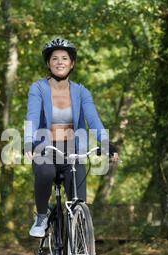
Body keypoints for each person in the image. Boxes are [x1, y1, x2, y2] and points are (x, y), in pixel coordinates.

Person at [24, 38, 118, 238]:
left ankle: (77, 246)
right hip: (45, 147)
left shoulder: (81, 92)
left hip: (73, 151)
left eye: (64, 58)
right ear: (48, 63)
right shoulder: (38, 88)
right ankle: (41, 215)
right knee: (46, 172)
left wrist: (106, 143)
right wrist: (29, 141)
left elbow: (93, 120)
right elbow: (32, 116)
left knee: (78, 202)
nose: (60, 62)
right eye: (55, 58)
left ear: (72, 63)